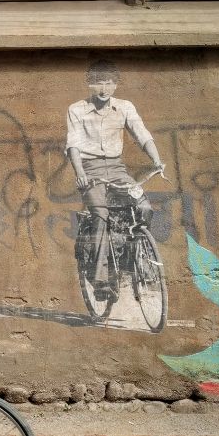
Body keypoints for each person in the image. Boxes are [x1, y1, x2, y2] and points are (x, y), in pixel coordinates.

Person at [66, 59, 165, 301]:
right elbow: (73, 146)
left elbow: (142, 134)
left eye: (109, 83)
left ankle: (135, 259)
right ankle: (100, 280)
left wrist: (157, 161)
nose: (104, 89)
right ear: (90, 84)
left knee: (143, 207)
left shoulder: (125, 107)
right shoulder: (76, 109)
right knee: (100, 216)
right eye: (98, 83)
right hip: (90, 169)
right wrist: (80, 174)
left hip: (117, 169)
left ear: (116, 85)